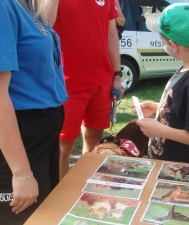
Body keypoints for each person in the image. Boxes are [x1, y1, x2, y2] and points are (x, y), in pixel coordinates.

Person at [0, 0, 68, 224]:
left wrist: (50, 138)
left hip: (40, 136)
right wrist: (21, 173)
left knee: (47, 217)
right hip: (17, 136)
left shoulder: (29, 5)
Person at [49, 1, 123, 180]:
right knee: (62, 148)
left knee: (94, 140)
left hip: (102, 81)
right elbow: (44, 27)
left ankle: (83, 188)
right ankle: (61, 199)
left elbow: (112, 35)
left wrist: (117, 75)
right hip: (67, 83)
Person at [136, 3, 189, 165]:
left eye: (163, 42)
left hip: (181, 172)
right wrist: (160, 108)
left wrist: (159, 130)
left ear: (173, 45)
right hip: (168, 164)